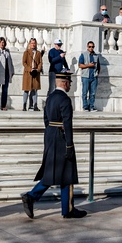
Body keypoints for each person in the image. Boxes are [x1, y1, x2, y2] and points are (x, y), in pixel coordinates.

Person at [20, 71, 87, 220]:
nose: (70, 85)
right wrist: (69, 144)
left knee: (54, 172)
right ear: (64, 83)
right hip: (61, 139)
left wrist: (51, 131)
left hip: (50, 135)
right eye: (69, 82)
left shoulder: (50, 98)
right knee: (67, 174)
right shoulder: (64, 99)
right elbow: (68, 123)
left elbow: (45, 118)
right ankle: (65, 208)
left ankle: (37, 198)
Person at [77, 41, 100, 111]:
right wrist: (88, 65)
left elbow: (98, 66)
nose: (91, 48)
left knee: (92, 93)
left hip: (94, 77)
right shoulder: (83, 55)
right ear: (87, 47)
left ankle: (91, 106)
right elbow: (80, 65)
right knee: (84, 92)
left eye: (92, 47)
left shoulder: (96, 56)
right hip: (85, 76)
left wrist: (97, 73)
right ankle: (85, 106)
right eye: (90, 47)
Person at [21, 38, 43, 111]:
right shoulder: (26, 52)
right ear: (29, 44)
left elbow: (40, 62)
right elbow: (24, 62)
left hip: (35, 73)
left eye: (34, 43)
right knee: (26, 90)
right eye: (32, 43)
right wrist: (30, 69)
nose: (33, 44)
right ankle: (24, 105)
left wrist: (38, 69)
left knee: (34, 90)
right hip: (28, 73)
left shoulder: (38, 53)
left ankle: (35, 105)